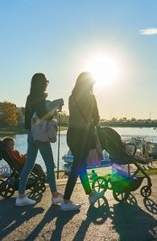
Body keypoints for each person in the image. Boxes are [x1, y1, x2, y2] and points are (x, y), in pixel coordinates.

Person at [16, 73, 63, 207]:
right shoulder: (40, 97)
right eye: (46, 81)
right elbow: (44, 115)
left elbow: (28, 119)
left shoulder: (29, 97)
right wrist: (54, 109)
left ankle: (21, 196)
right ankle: (54, 195)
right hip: (41, 135)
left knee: (28, 165)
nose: (47, 83)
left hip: (31, 134)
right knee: (49, 164)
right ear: (43, 83)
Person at [60, 72, 104, 211]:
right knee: (77, 167)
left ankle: (90, 194)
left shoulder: (72, 97)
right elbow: (96, 120)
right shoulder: (91, 98)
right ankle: (66, 201)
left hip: (71, 134)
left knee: (80, 165)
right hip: (82, 135)